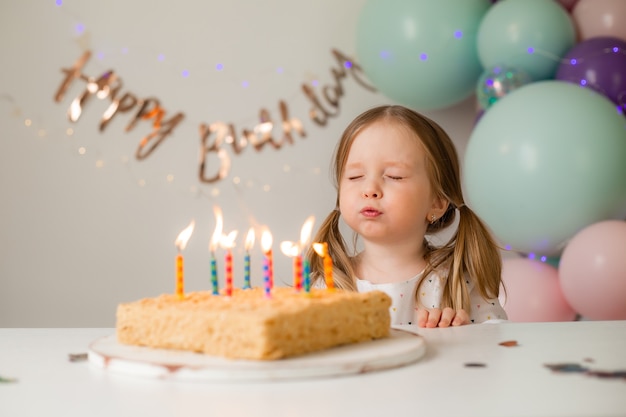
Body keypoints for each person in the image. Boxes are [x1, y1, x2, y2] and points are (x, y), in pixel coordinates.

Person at [306, 105, 507, 327]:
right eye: (355, 176)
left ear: (437, 203)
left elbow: (496, 344)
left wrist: (462, 334)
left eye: (395, 176)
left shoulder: (458, 280)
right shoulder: (328, 284)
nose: (370, 188)